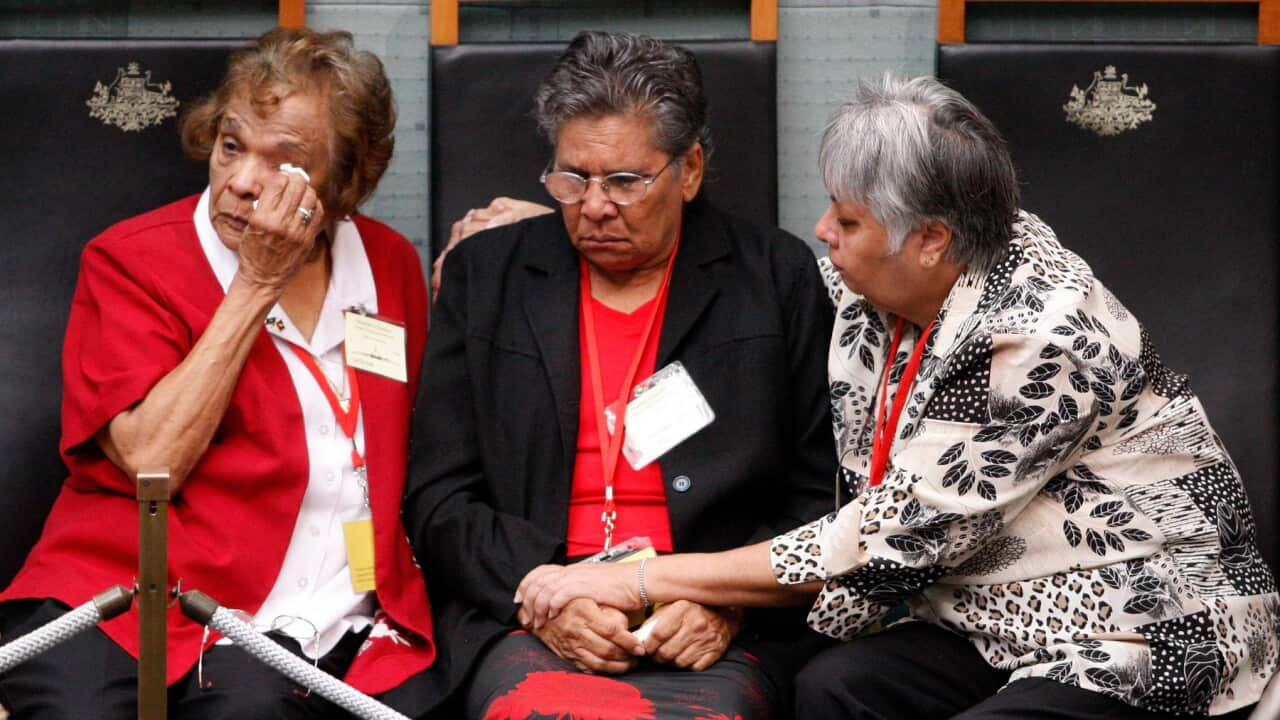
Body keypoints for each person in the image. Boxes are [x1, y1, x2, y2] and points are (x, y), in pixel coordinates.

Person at [515, 75, 1280, 719]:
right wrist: (536, 242)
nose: (822, 231)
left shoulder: (1050, 336)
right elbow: (752, 287)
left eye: (847, 219)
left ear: (931, 238)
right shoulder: (878, 281)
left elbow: (886, 540)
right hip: (983, 616)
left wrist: (642, 576)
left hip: (1144, 623)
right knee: (836, 690)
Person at [0, 28, 435, 717]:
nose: (240, 181)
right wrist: (255, 286)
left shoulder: (388, 266)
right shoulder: (132, 261)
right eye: (232, 145)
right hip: (131, 596)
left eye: (283, 161)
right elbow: (152, 462)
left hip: (324, 617)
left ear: (347, 180)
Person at [403, 30, 835, 719]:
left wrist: (726, 609)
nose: (595, 206)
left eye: (626, 182)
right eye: (572, 179)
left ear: (689, 169)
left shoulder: (774, 280)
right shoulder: (488, 279)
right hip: (532, 614)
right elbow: (437, 498)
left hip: (709, 619)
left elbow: (820, 498)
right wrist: (546, 595)